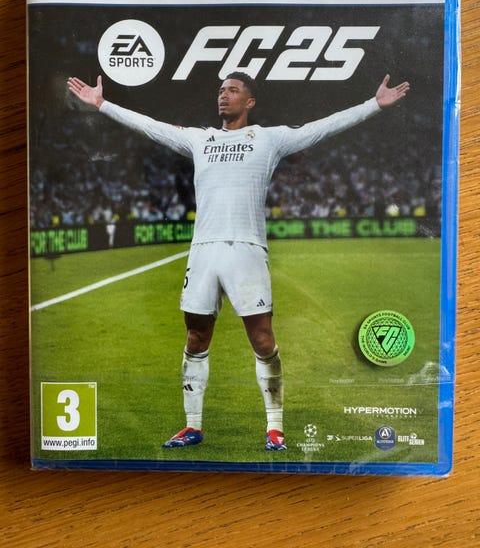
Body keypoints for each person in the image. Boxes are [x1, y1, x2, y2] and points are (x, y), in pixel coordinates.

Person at [67, 71, 410, 451]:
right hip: (203, 251)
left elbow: (322, 127)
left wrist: (374, 104)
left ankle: (275, 427)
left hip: (247, 250)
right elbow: (150, 127)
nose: (223, 95)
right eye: (221, 90)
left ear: (250, 101)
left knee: (262, 338)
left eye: (232, 90)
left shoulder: (268, 138)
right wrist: (102, 104)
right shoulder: (200, 139)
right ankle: (193, 426)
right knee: (196, 336)